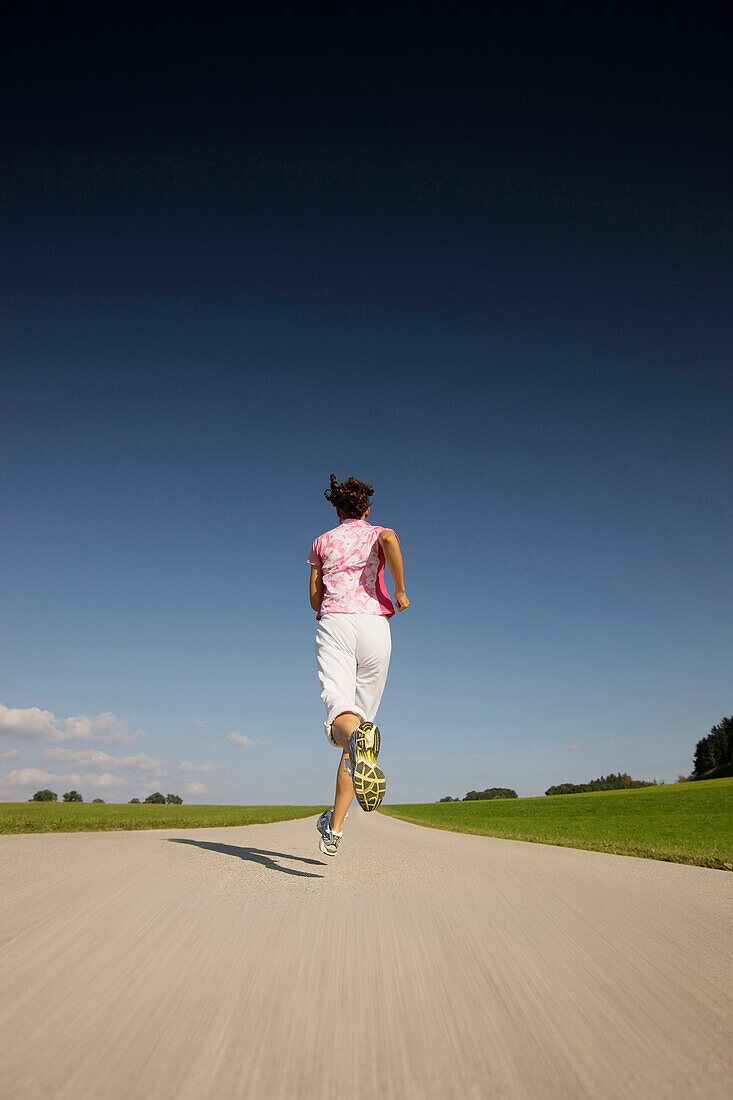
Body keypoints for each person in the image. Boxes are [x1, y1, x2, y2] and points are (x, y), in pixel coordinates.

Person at [307, 474, 409, 856]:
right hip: (375, 628)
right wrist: (398, 590)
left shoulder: (321, 541)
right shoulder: (378, 531)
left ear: (337, 508)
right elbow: (388, 540)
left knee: (340, 716)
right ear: (367, 509)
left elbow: (315, 600)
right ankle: (333, 828)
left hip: (336, 623)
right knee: (358, 736)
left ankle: (355, 738)